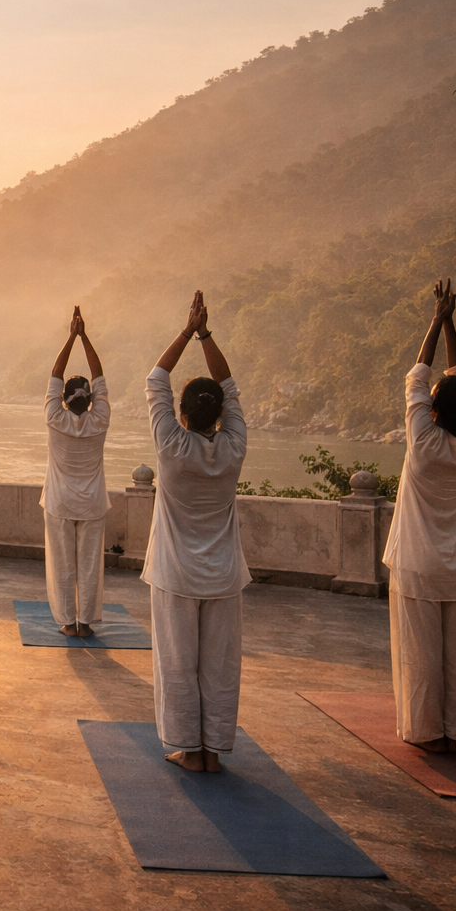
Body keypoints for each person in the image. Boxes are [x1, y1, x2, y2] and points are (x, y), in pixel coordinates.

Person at [381, 279, 456, 754]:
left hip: (418, 565)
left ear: (435, 411)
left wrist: (437, 320)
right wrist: (449, 324)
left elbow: (416, 379)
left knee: (419, 654)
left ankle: (427, 732)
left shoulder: (423, 443)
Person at [143, 290, 250, 772]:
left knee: (178, 664)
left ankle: (189, 749)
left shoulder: (171, 446)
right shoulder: (233, 447)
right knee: (219, 667)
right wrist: (206, 335)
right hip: (224, 576)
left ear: (181, 415)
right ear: (221, 416)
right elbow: (229, 387)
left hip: (176, 575)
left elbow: (155, 379)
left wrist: (187, 331)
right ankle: (214, 750)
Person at [42, 305, 111, 637]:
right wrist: (84, 337)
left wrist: (71, 336)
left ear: (64, 400)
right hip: (92, 504)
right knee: (89, 565)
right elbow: (100, 378)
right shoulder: (100, 420)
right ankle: (85, 623)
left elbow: (54, 377)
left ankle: (68, 623)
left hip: (60, 503)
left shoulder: (55, 418)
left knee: (63, 565)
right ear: (92, 399)